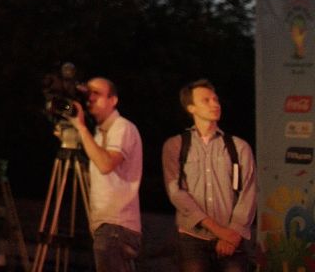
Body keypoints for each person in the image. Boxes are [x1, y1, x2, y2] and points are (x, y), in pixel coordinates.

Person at [161, 80, 256, 272]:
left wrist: (233, 233)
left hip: (231, 238)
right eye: (206, 100)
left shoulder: (238, 146)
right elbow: (177, 193)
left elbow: (249, 191)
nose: (215, 104)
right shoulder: (176, 145)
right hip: (192, 239)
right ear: (191, 108)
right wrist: (217, 229)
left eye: (216, 99)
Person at [69, 76, 143, 272]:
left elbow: (105, 164)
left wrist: (81, 128)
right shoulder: (99, 134)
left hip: (116, 226)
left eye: (97, 93)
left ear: (113, 100)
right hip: (108, 227)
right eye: (88, 93)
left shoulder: (122, 127)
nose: (90, 98)